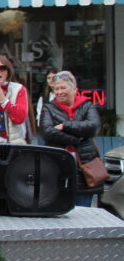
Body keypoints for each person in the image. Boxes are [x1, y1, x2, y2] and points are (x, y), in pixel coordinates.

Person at [39, 70, 105, 206]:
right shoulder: (49, 108)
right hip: (57, 168)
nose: (59, 92)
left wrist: (65, 125)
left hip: (85, 170)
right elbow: (47, 132)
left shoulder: (87, 105)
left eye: (63, 88)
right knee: (59, 210)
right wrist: (76, 139)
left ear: (75, 89)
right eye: (56, 89)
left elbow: (93, 126)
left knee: (84, 212)